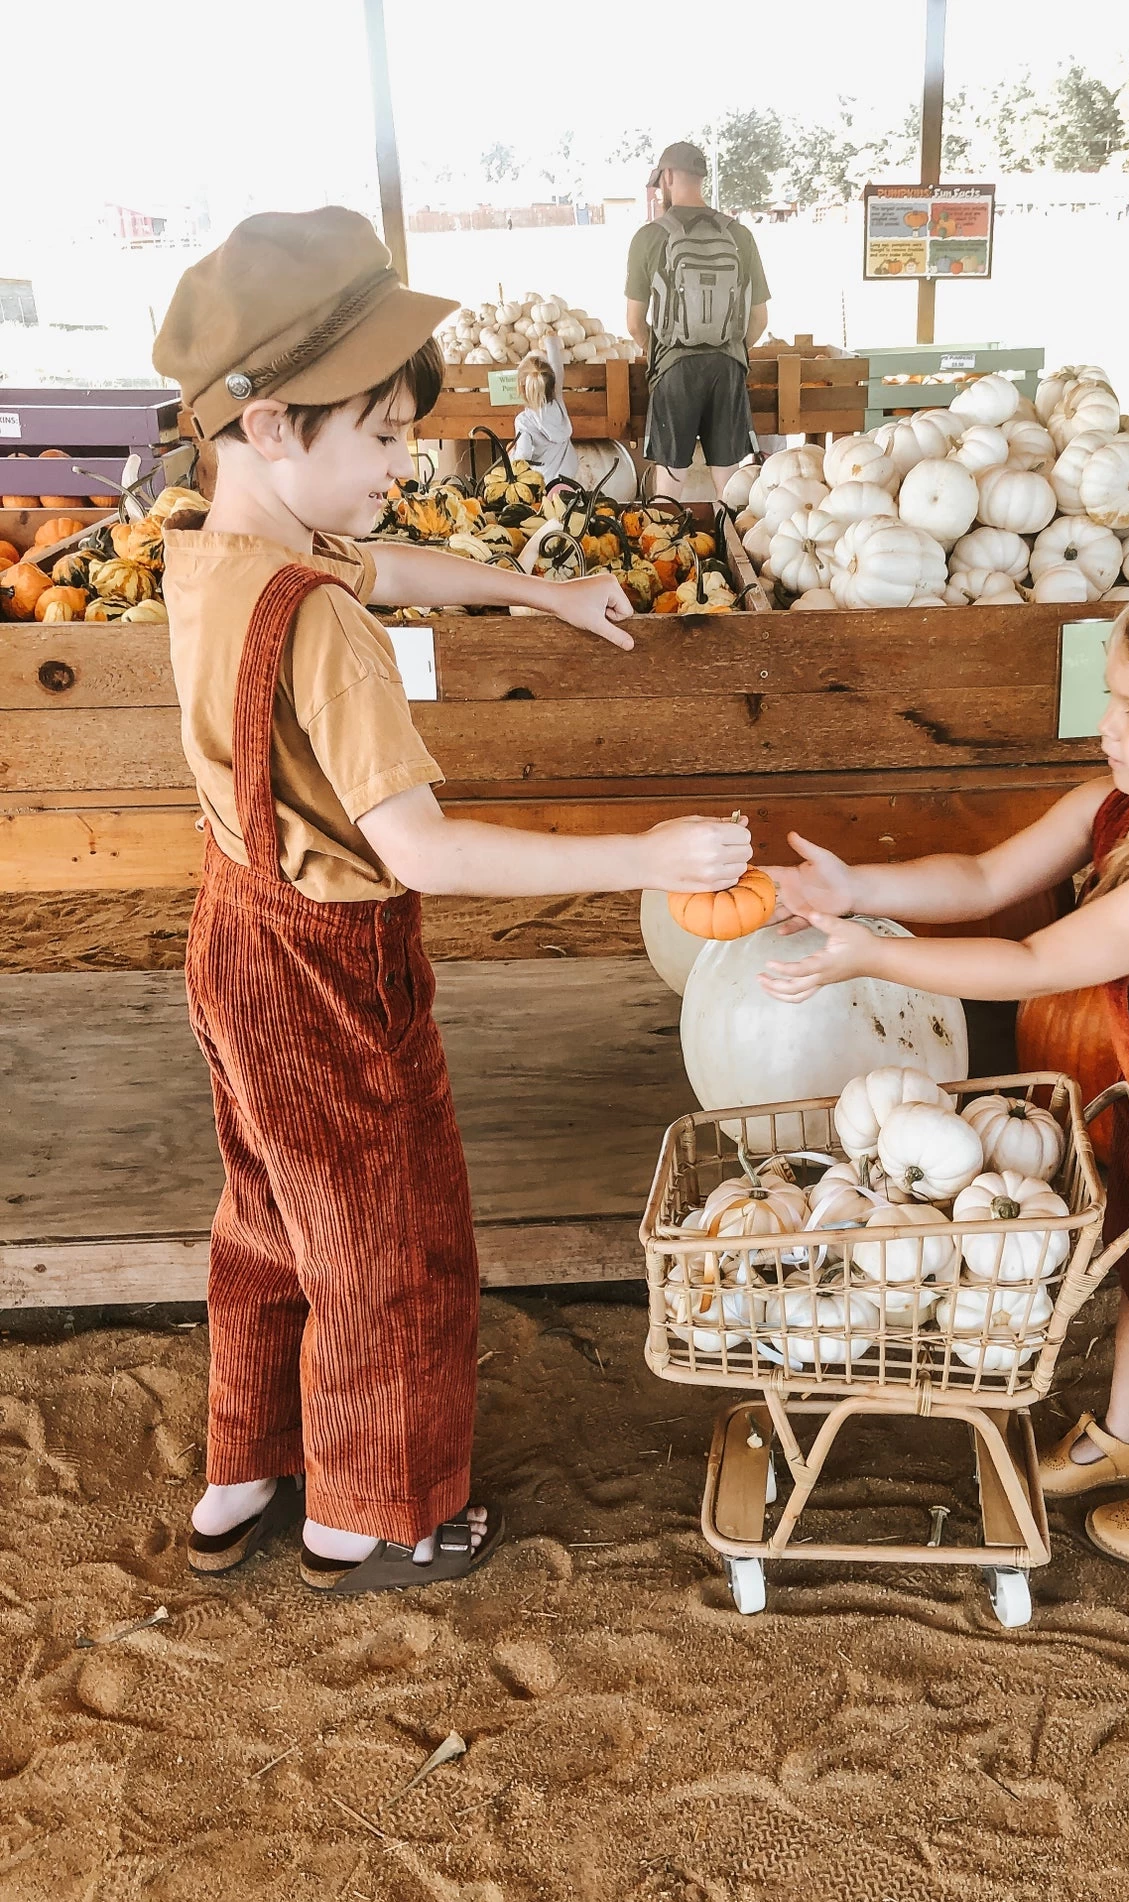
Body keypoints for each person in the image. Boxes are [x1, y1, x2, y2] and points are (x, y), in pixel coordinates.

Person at [152, 207, 751, 1595]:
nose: (406, 463)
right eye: (380, 436)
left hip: (233, 932)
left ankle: (245, 1467)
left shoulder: (216, 552)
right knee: (393, 1240)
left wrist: (536, 594)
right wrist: (646, 858)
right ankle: (375, 1514)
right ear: (274, 427)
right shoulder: (325, 630)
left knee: (268, 1220)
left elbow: (396, 563)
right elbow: (424, 851)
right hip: (329, 965)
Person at [759, 569, 1129, 1570]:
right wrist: (861, 885)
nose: (1107, 725)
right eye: (1112, 695)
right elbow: (984, 879)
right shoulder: (1122, 802)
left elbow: (1032, 959)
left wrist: (871, 951)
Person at [624, 141, 771, 498]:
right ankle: (732, 544)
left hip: (674, 368)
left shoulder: (649, 237)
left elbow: (634, 322)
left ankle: (665, 541)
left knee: (672, 477)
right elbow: (760, 318)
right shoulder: (739, 235)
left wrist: (661, 353)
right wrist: (728, 348)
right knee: (728, 476)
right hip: (728, 367)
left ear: (669, 176)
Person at [513, 329, 577, 486]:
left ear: (521, 389)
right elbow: (558, 372)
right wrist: (552, 342)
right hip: (570, 475)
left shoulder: (524, 421)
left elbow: (523, 457)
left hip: (545, 482)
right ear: (552, 383)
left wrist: (511, 456)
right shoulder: (557, 403)